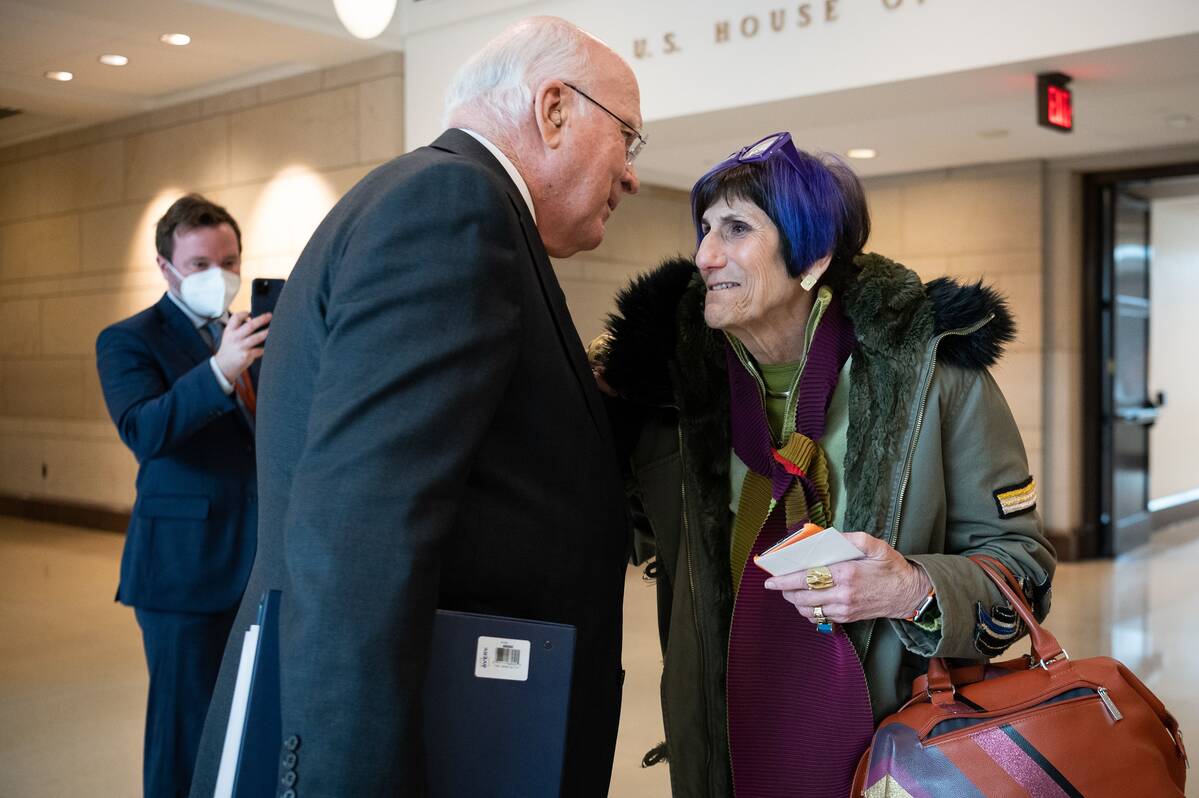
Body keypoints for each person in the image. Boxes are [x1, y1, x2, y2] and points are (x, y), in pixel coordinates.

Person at [187, 16, 643, 797]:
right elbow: (359, 532)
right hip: (432, 740)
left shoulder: (439, 200)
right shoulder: (453, 206)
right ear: (555, 109)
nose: (631, 175)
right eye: (628, 139)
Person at [595, 132, 1056, 797]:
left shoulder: (936, 376)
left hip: (892, 760)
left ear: (811, 254)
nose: (704, 255)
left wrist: (910, 587)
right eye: (702, 229)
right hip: (721, 758)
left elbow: (1024, 569)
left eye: (734, 228)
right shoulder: (667, 390)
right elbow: (629, 533)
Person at [95, 193, 268, 797]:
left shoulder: (247, 332)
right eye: (200, 264)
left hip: (252, 565)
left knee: (239, 724)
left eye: (229, 260)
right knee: (182, 735)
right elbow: (145, 429)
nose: (218, 276)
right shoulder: (127, 340)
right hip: (181, 575)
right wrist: (220, 371)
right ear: (167, 268)